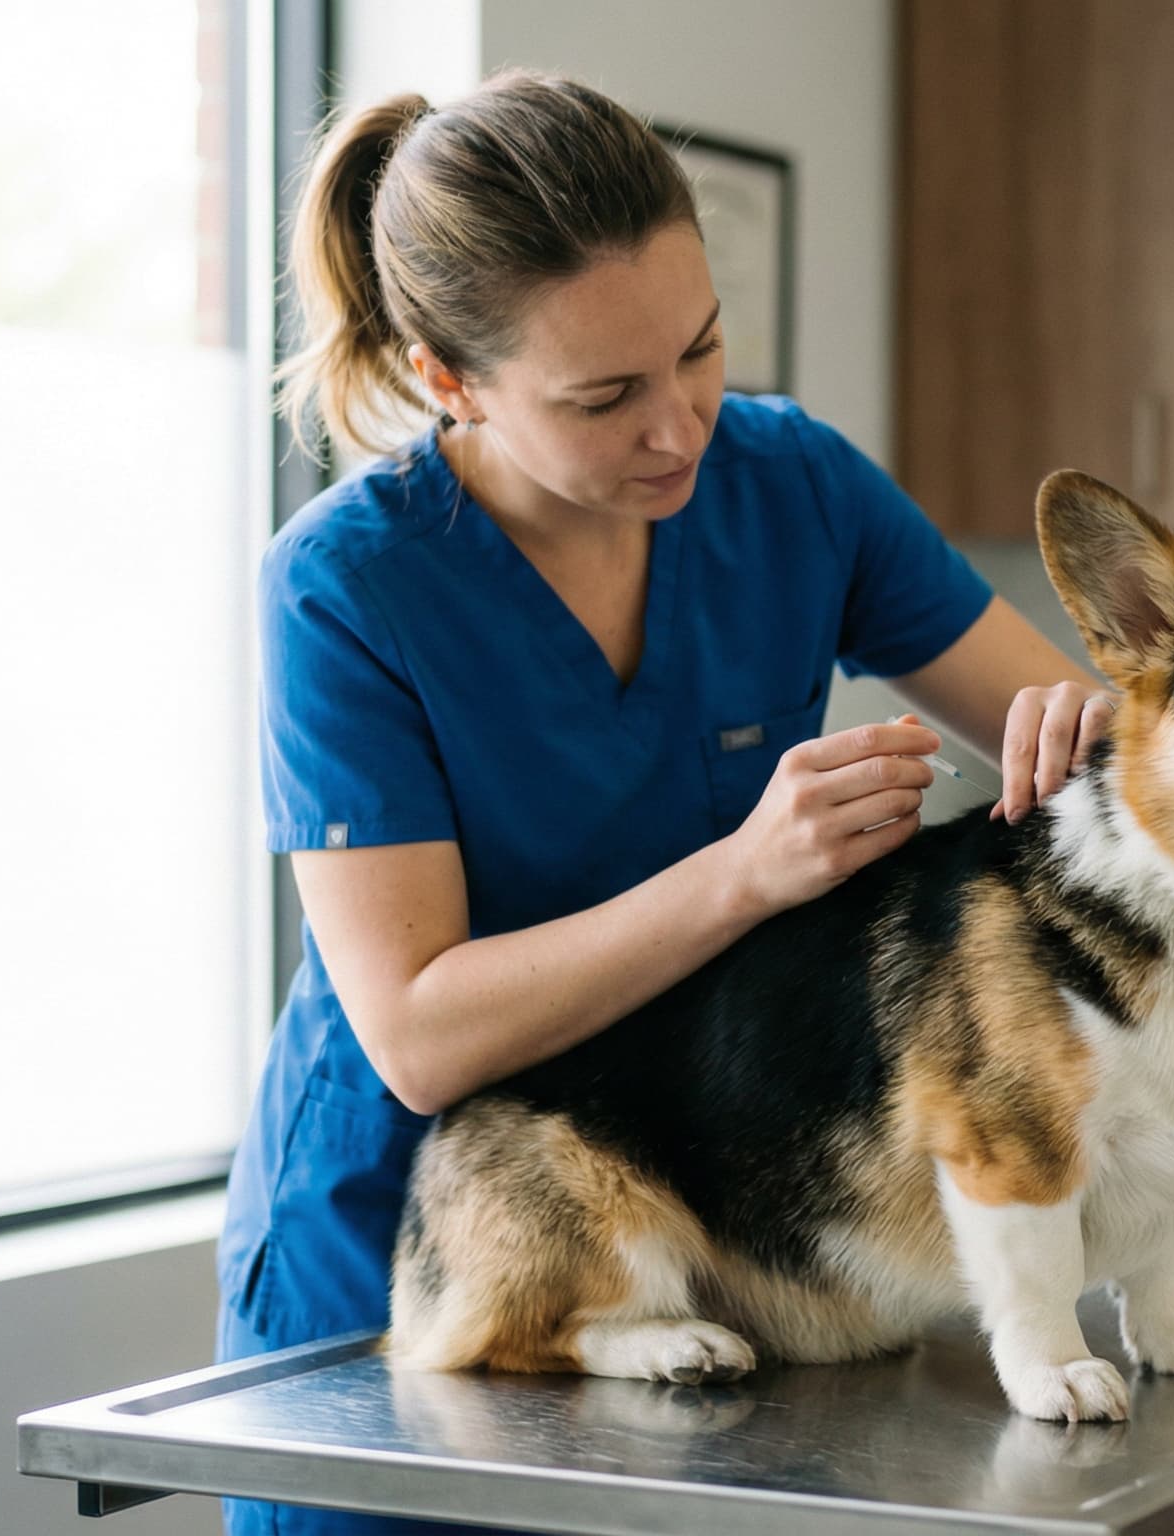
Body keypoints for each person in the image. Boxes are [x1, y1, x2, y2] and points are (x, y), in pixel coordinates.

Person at [218, 70, 1114, 1535]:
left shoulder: (796, 486)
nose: (680, 428)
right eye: (604, 396)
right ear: (452, 381)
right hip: (420, 1244)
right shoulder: (348, 590)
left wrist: (1094, 735)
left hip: (716, 1229)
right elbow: (420, 1035)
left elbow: (1069, 733)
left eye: (698, 350)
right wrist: (750, 873)